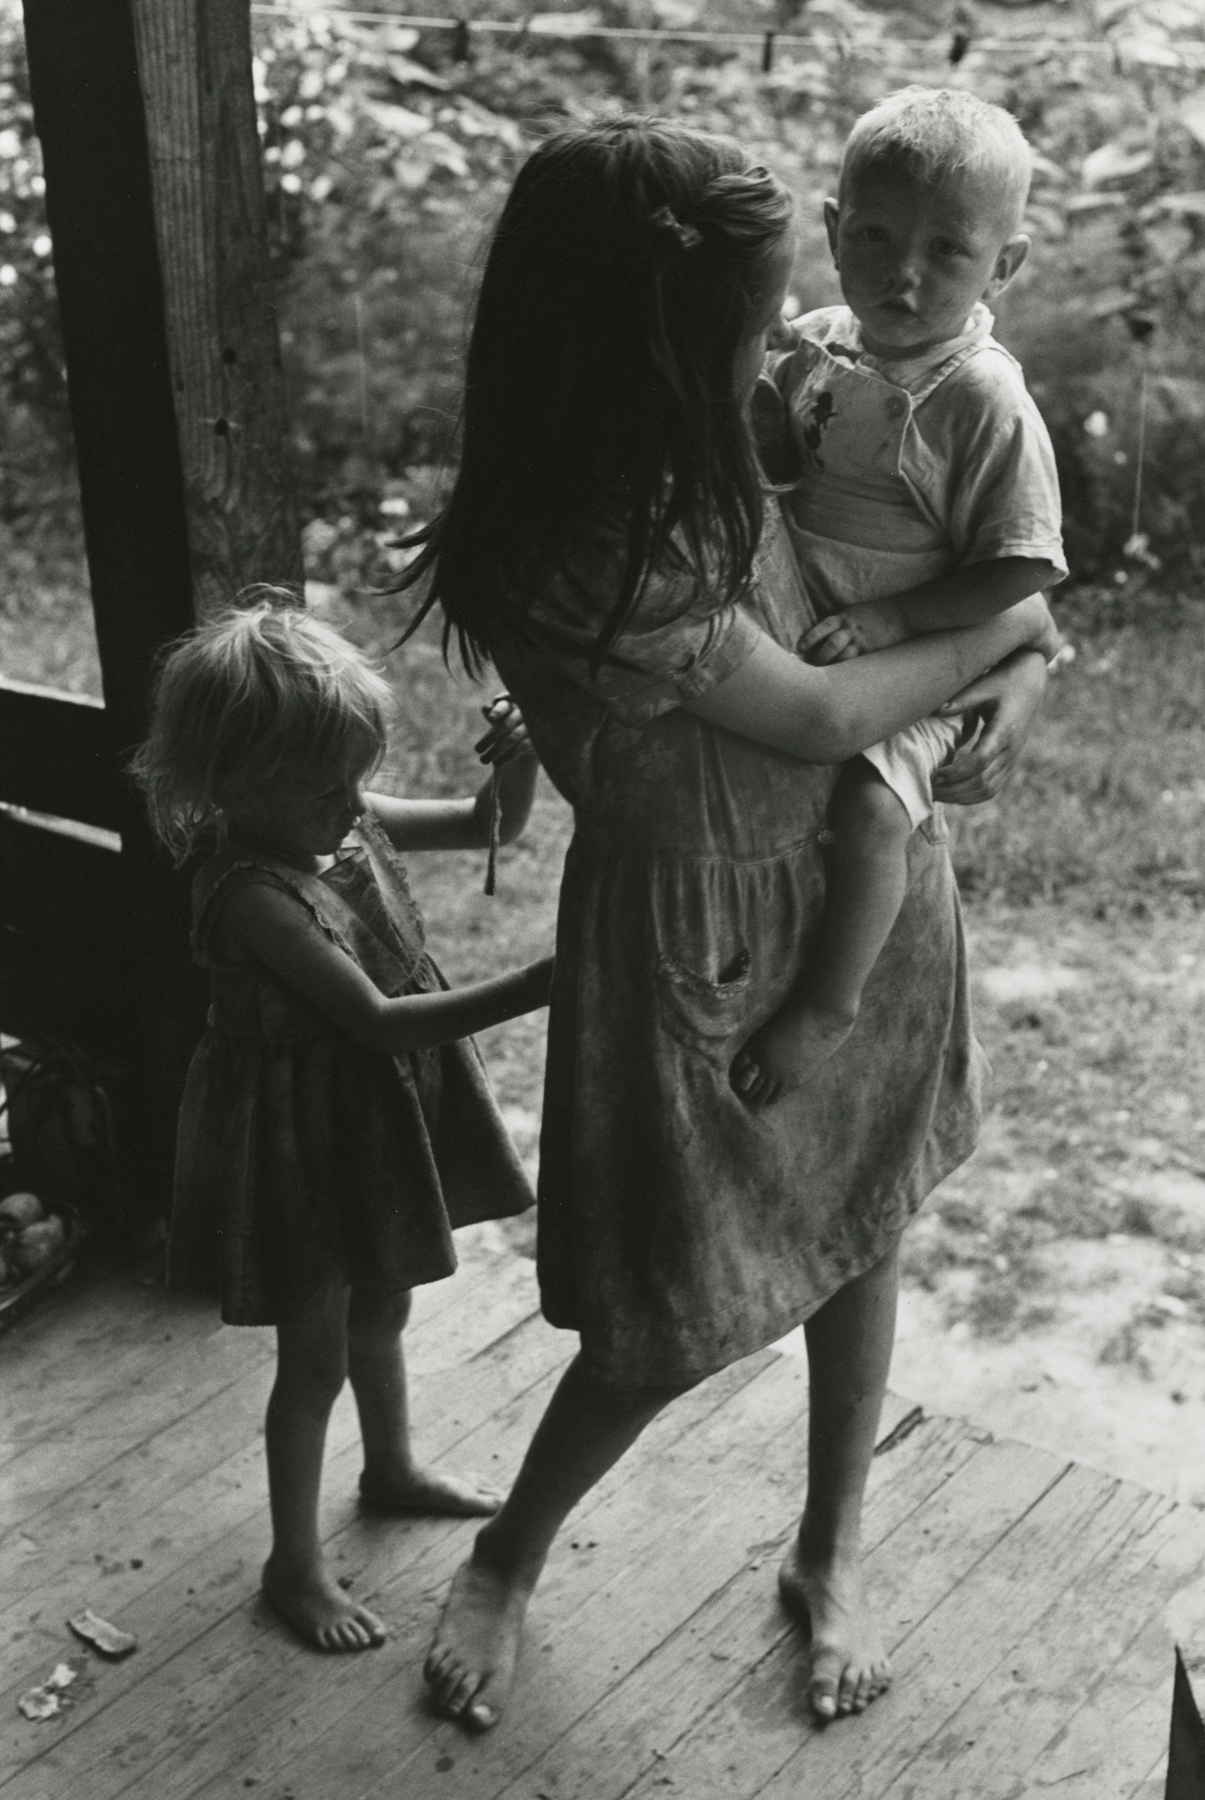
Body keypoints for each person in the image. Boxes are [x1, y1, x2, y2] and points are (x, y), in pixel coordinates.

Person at [395, 117, 1057, 1728]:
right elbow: (827, 710)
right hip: (705, 943)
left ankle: (830, 1547)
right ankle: (508, 1559)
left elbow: (926, 591)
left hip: (856, 896)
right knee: (665, 1308)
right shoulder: (592, 531)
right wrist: (1017, 631)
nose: (791, 344)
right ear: (650, 339)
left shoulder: (713, 445)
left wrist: (1020, 658)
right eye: (758, 321)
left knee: (860, 1218)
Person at [132, 597, 553, 1652]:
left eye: (358, 778)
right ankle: (293, 1565)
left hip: (371, 1117)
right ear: (233, 782)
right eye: (327, 787)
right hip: (300, 1142)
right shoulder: (248, 893)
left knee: (385, 1303)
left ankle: (391, 1467)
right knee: (312, 1357)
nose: (352, 803)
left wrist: (520, 759)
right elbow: (371, 1021)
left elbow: (490, 825)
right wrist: (540, 985)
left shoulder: (338, 817)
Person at [736, 86, 1067, 1101]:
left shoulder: (981, 398)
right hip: (808, 643)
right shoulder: (817, 341)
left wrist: (894, 620)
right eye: (874, 237)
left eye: (948, 251)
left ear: (1002, 265)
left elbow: (1022, 568)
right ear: (833, 229)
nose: (904, 274)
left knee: (875, 811)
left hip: (918, 664)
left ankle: (829, 1004)